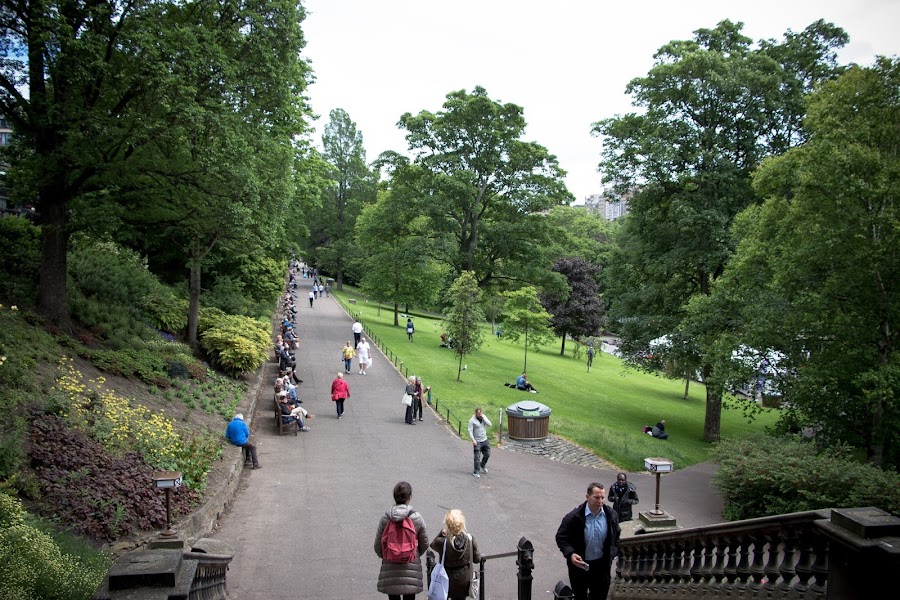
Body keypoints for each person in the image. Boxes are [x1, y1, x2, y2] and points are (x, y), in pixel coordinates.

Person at [555, 483, 621, 600]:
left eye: (602, 497)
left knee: (600, 596)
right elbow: (561, 537)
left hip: (602, 567)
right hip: (580, 567)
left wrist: (612, 553)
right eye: (596, 497)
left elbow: (616, 536)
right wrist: (571, 554)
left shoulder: (611, 515)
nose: (600, 501)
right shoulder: (574, 517)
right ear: (587, 497)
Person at [374, 481, 428, 600]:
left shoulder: (385, 519)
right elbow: (424, 544)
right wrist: (414, 553)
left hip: (390, 566)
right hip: (411, 565)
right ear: (410, 497)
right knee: (410, 597)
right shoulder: (416, 518)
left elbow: (377, 546)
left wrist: (388, 555)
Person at [430, 509, 481, 600]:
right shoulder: (470, 539)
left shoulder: (442, 542)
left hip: (446, 578)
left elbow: (433, 545)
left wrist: (442, 533)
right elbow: (477, 559)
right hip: (463, 580)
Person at [467, 408, 492, 478]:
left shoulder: (484, 417)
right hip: (477, 441)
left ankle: (483, 465)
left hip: (484, 440)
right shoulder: (472, 420)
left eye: (480, 413)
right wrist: (473, 440)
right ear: (475, 413)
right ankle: (476, 471)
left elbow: (490, 424)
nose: (479, 414)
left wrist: (484, 418)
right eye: (478, 413)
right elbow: (470, 430)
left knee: (487, 454)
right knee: (477, 457)